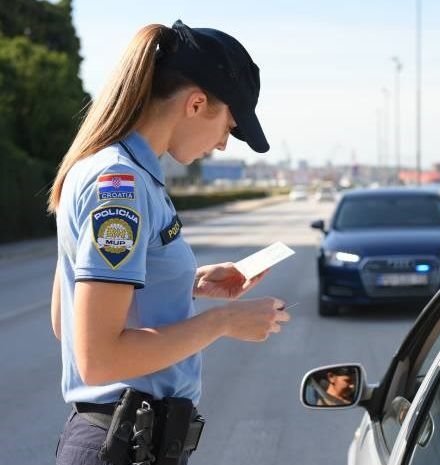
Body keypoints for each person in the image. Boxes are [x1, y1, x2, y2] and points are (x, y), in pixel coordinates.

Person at [47, 20, 290, 465]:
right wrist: (223, 323)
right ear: (196, 104)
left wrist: (187, 285)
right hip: (120, 446)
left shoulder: (118, 173)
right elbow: (97, 358)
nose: (221, 146)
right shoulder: (118, 184)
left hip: (125, 443)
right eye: (228, 128)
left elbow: (71, 323)